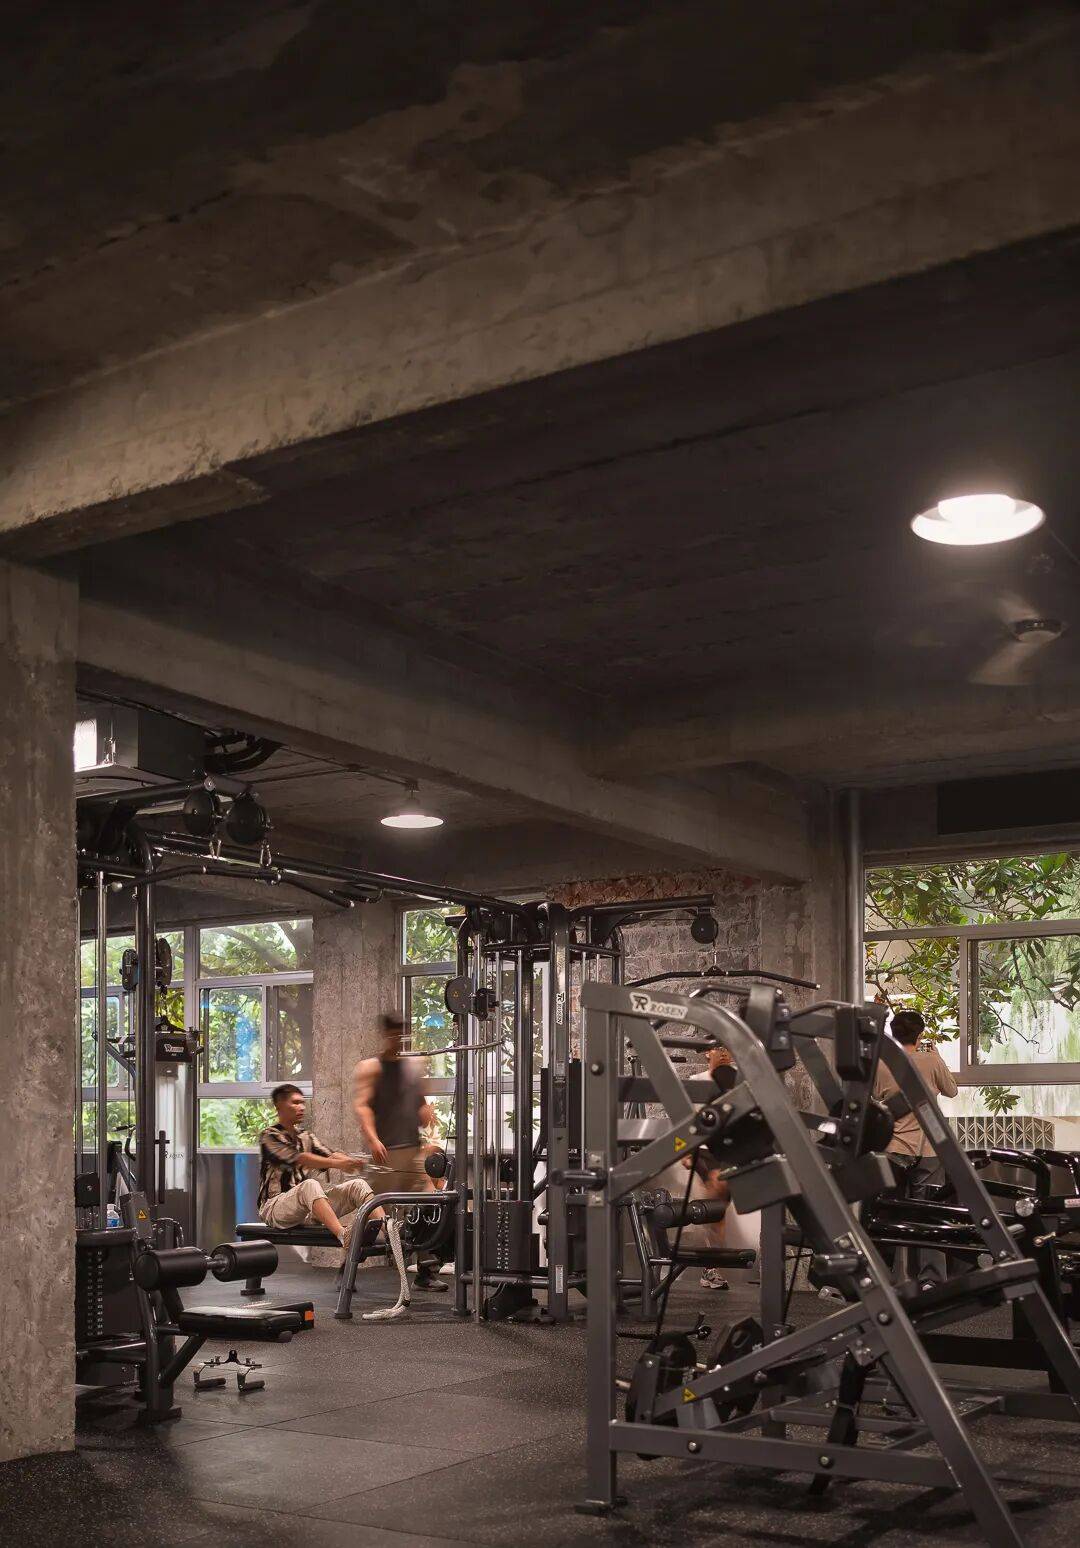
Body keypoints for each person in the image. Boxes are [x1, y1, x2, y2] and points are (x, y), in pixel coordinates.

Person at [353, 1012, 445, 1291]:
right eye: (393, 1033)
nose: (398, 1038)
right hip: (386, 1154)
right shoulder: (370, 1068)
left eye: (402, 1033)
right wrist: (372, 1139)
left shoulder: (411, 1068)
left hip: (412, 1153)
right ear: (385, 1034)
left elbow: (421, 1104)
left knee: (433, 1204)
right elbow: (362, 1106)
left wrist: (426, 1112)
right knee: (369, 1211)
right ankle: (348, 1267)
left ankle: (426, 1271)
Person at [873, 1009, 959, 1280]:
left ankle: (882, 1278)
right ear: (920, 1034)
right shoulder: (931, 1060)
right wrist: (937, 1057)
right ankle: (931, 1280)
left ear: (893, 1034)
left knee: (887, 1215)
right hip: (928, 1148)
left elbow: (874, 1097)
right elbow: (952, 1090)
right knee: (929, 1215)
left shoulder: (881, 1063)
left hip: (893, 1146)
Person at [257, 1083, 374, 1247]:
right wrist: (339, 1164)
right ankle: (344, 1237)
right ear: (279, 1106)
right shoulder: (269, 1136)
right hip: (275, 1208)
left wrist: (350, 1161)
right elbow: (300, 1158)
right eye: (295, 1102)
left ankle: (390, 1232)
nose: (302, 1107)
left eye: (302, 1102)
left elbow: (330, 1155)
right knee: (310, 1185)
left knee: (358, 1185)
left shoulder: (306, 1136)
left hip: (306, 1208)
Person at [680, 1044, 735, 1291]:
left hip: (731, 1151)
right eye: (717, 1048)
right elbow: (688, 1121)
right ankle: (711, 1269)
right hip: (705, 1151)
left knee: (719, 1214)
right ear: (707, 1052)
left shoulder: (740, 1079)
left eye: (727, 1048)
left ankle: (711, 1268)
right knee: (717, 1199)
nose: (723, 1052)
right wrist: (685, 1152)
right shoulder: (697, 1081)